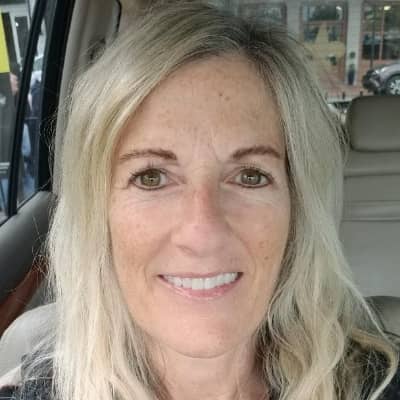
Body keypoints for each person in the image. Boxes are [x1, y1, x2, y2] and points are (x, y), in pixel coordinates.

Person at [0, 2, 399, 400]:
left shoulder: (377, 386)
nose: (202, 233)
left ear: (296, 209)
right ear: (99, 211)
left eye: (250, 176)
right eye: (152, 177)